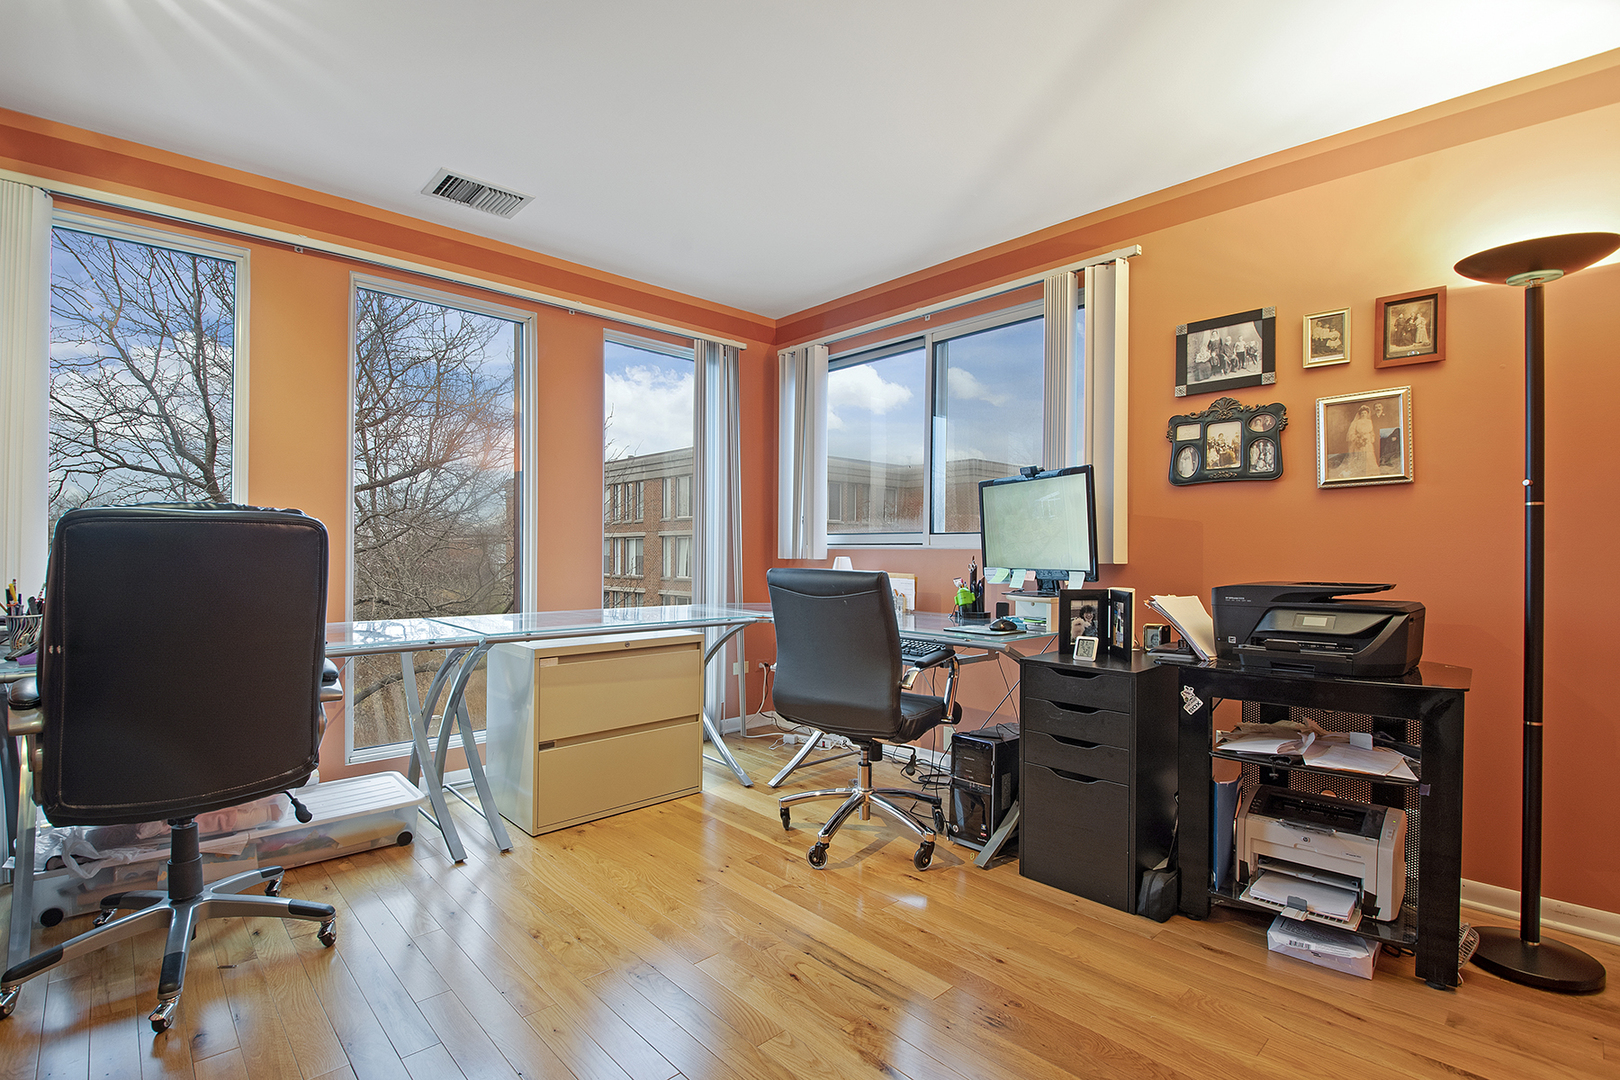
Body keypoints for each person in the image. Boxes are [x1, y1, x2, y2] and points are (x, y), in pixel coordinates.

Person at [1343, 404, 1379, 476]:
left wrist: (1372, 437)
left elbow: (1372, 432)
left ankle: (1370, 470)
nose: (1363, 414)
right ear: (1360, 414)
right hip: (1359, 439)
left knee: (1369, 454)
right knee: (1360, 454)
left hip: (1367, 440)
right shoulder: (1356, 422)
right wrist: (1357, 437)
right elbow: (1352, 433)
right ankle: (1360, 469)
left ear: (1367, 414)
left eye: (1365, 413)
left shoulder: (1369, 421)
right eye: (1362, 413)